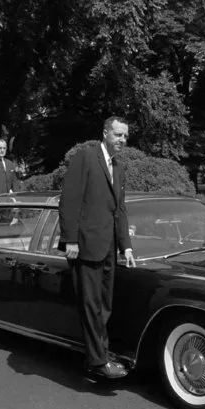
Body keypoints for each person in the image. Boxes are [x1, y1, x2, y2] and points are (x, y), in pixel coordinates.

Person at [58, 116, 136, 379]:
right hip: (86, 246)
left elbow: (120, 209)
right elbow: (69, 200)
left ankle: (98, 353)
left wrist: (126, 246)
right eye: (118, 135)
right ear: (105, 133)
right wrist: (70, 239)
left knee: (105, 305)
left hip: (109, 247)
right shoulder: (85, 157)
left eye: (125, 136)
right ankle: (98, 362)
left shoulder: (119, 166)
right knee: (91, 305)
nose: (122, 140)